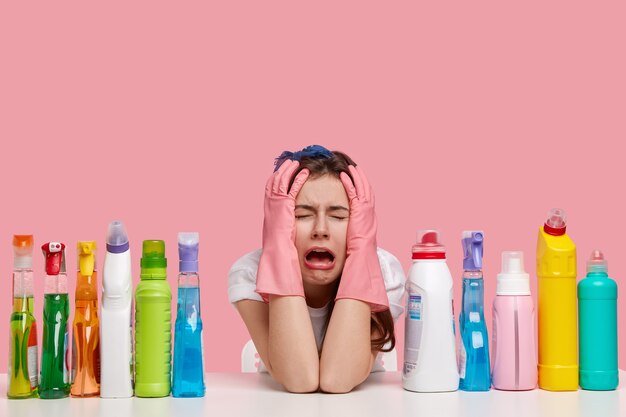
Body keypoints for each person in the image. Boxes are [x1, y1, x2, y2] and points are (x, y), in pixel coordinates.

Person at [228, 145, 405, 393]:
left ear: (358, 226)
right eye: (301, 215)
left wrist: (363, 251)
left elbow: (337, 379)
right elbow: (300, 380)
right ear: (281, 224)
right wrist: (278, 250)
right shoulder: (250, 273)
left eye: (338, 216)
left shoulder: (383, 271)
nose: (320, 229)